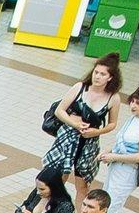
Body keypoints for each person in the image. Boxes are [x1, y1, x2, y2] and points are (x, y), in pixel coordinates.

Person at [43, 52, 120, 182]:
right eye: (96, 72)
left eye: (103, 74)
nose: (97, 77)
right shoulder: (80, 87)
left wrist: (97, 132)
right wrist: (75, 124)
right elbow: (59, 110)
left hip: (89, 142)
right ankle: (48, 201)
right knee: (57, 177)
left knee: (83, 183)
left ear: (110, 77)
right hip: (68, 137)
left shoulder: (113, 98)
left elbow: (112, 124)